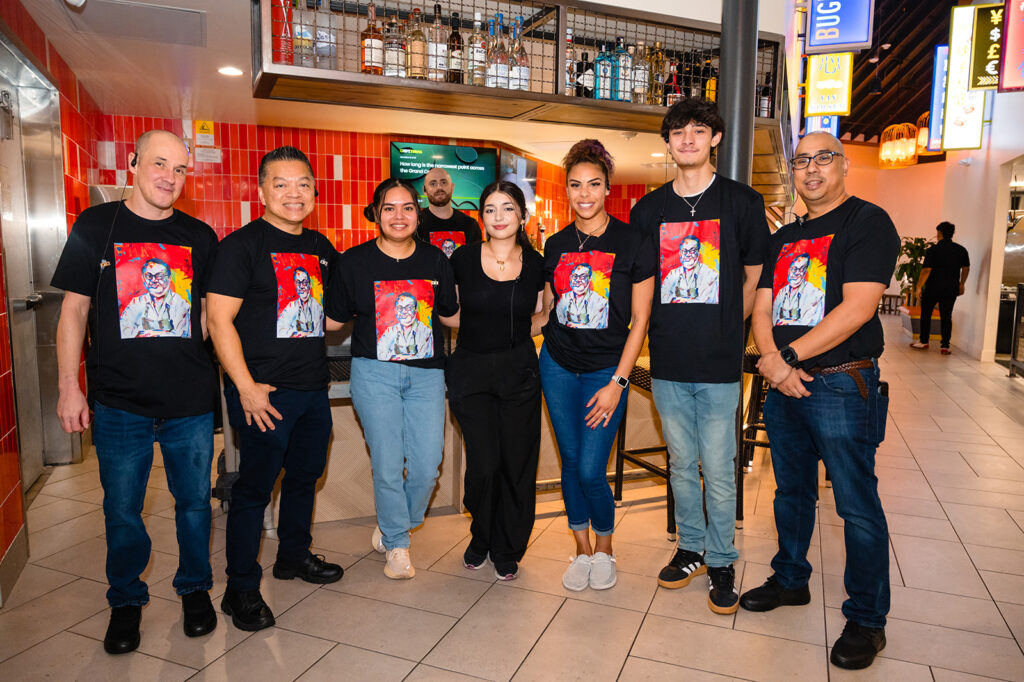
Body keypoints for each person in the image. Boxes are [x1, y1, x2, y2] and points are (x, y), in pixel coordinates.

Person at [52, 130, 219, 654]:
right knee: (122, 509)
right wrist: (68, 388)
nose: (169, 176)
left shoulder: (200, 235)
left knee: (193, 505)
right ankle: (125, 599)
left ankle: (194, 589)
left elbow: (214, 314)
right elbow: (74, 311)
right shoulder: (96, 226)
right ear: (133, 163)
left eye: (180, 169)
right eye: (159, 163)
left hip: (189, 402)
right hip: (118, 402)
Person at [740, 131, 899, 671]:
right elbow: (763, 307)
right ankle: (790, 580)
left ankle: (867, 619)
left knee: (855, 503)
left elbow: (856, 309)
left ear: (843, 165)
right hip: (785, 384)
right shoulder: (783, 237)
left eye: (823, 158)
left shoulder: (867, 222)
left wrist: (785, 359)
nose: (811, 169)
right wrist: (774, 362)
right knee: (791, 492)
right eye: (801, 160)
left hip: (839, 382)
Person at [629, 98, 768, 615]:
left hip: (718, 361)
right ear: (667, 142)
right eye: (677, 131)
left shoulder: (742, 203)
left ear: (714, 138)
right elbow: (641, 284)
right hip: (666, 359)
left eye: (697, 129)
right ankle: (690, 547)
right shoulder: (648, 211)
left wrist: (731, 326)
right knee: (682, 463)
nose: (686, 138)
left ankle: (722, 558)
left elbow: (755, 275)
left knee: (719, 463)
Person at [207, 146, 343, 633]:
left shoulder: (322, 248)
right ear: (261, 189)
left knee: (306, 477)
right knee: (254, 491)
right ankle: (240, 589)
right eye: (281, 184)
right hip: (262, 392)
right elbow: (218, 320)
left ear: (314, 190)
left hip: (311, 387)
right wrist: (244, 388)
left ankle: (292, 557)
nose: (293, 193)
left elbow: (327, 317)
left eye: (303, 183)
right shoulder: (240, 246)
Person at [327, 178, 458, 580]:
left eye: (406, 208)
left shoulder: (437, 260)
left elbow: (451, 316)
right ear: (376, 213)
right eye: (389, 208)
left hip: (427, 375)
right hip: (375, 374)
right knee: (386, 464)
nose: (398, 216)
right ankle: (398, 543)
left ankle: (393, 523)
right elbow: (332, 323)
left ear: (417, 214)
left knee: (426, 465)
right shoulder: (353, 262)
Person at [539, 139, 655, 592]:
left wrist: (618, 382)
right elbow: (551, 309)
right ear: (566, 189)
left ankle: (606, 549)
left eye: (593, 184)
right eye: (575, 185)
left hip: (607, 371)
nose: (584, 193)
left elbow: (640, 319)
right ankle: (582, 549)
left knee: (590, 468)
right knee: (570, 461)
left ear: (607, 187)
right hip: (557, 365)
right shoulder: (556, 245)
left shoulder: (632, 242)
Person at [445, 181, 545, 581]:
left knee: (517, 463)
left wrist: (517, 334)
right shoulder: (463, 259)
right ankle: (480, 533)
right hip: (471, 372)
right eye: (490, 209)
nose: (499, 217)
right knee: (484, 463)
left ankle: (506, 545)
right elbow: (446, 313)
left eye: (507, 208)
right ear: (481, 216)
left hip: (520, 371)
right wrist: (482, 329)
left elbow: (543, 313)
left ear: (522, 215)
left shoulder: (538, 263)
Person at [910, 221, 970, 355]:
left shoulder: (933, 250)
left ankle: (924, 342)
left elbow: (926, 270)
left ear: (940, 233)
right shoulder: (961, 250)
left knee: (926, 314)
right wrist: (962, 283)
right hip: (951, 288)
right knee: (946, 316)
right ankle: (945, 346)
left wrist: (919, 287)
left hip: (933, 288)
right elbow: (966, 268)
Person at [120, 257, 192, 337]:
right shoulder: (136, 303)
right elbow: (122, 331)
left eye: (159, 275)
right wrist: (161, 333)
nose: (154, 280)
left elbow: (181, 335)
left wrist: (143, 334)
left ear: (169, 278)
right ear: (143, 279)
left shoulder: (180, 304)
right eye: (149, 276)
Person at [416, 167, 483, 253]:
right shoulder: (415, 224)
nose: (439, 187)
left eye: (444, 182)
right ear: (424, 190)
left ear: (452, 187)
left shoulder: (470, 225)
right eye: (433, 184)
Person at [661, 235, 720, 304]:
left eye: (692, 250)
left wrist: (677, 300)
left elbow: (705, 301)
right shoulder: (673, 274)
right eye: (685, 251)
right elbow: (662, 297)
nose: (688, 254)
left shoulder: (710, 274)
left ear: (698, 253)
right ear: (680, 254)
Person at [772, 253, 825, 326]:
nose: (797, 273)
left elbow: (808, 323)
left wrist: (786, 322)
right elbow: (773, 319)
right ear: (789, 270)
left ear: (805, 272)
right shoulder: (782, 292)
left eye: (801, 269)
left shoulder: (815, 294)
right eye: (794, 269)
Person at [377, 292, 433, 360]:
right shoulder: (390, 331)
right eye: (400, 308)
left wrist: (393, 357)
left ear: (415, 311)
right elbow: (380, 354)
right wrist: (408, 357)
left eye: (409, 307)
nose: (404, 311)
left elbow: (422, 357)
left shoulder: (425, 331)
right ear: (395, 311)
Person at [554, 262, 610, 328]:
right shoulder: (564, 299)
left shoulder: (600, 302)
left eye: (583, 276)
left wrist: (573, 325)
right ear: (570, 278)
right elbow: (558, 323)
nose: (578, 280)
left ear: (589, 280)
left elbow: (596, 327)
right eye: (575, 276)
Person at [277, 267, 324, 337]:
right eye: (298, 282)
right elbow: (278, 330)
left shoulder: (317, 308)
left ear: (309, 285)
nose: (301, 286)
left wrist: (293, 332)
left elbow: (317, 334)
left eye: (304, 282)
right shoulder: (291, 306)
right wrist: (296, 334)